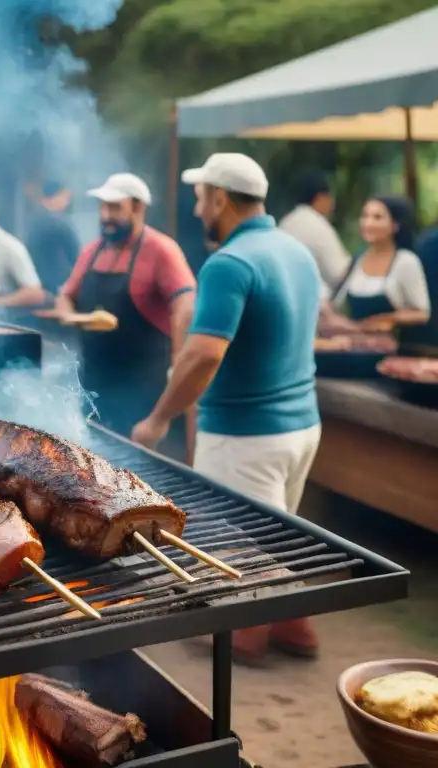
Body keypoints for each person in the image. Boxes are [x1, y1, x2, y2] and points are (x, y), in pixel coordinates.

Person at [131, 153, 322, 663]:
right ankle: (294, 628)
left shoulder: (229, 263)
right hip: (302, 425)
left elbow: (203, 354)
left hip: (245, 433)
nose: (197, 210)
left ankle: (245, 637)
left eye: (200, 198)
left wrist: (158, 419)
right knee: (278, 532)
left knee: (236, 547)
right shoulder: (295, 252)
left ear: (219, 197)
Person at [55, 173, 195, 450]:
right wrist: (69, 315)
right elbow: (65, 296)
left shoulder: (162, 250)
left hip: (143, 391)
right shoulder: (92, 251)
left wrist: (180, 359)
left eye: (115, 208)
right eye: (103, 207)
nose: (106, 215)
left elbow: (186, 305)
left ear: (139, 208)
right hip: (94, 388)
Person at [328, 196, 430, 331]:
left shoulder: (406, 261)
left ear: (395, 225)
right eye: (364, 216)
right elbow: (336, 304)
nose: (368, 223)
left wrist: (386, 319)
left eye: (377, 217)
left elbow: (422, 313)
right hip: (351, 343)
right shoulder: (358, 259)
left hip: (391, 347)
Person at [279, 171, 351, 292]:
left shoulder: (284, 223)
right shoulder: (318, 226)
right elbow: (339, 274)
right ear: (320, 198)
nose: (332, 205)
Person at [25, 181, 81, 295]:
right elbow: (77, 258)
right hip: (58, 287)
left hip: (37, 286)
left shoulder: (34, 222)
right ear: (55, 197)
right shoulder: (59, 222)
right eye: (65, 197)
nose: (68, 201)